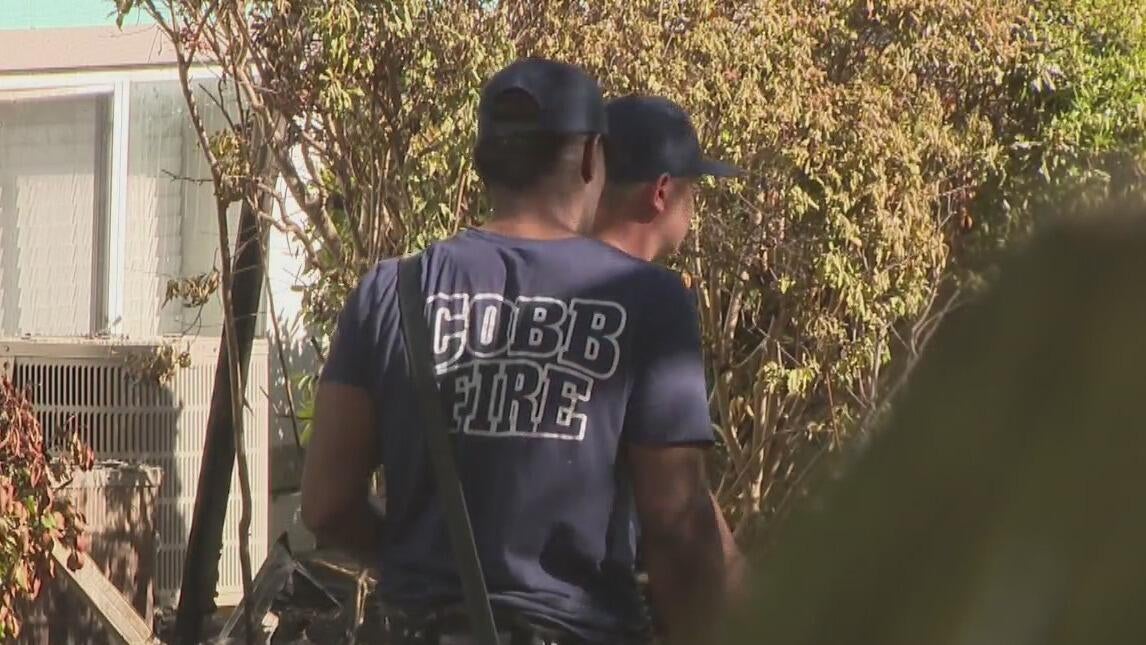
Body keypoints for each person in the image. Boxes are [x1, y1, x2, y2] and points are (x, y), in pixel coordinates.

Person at [301, 58, 731, 645]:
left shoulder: (390, 291)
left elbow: (326, 505)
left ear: (485, 161)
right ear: (591, 159)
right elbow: (678, 526)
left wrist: (422, 571)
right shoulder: (647, 299)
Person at [591, 94, 748, 605]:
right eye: (692, 189)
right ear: (661, 192)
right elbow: (675, 517)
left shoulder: (524, 282)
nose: (694, 207)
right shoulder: (652, 301)